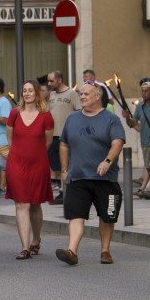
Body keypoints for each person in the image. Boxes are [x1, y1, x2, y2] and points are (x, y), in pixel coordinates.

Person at [57, 82, 126, 265]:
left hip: (105, 178)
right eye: (81, 94)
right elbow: (63, 143)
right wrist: (64, 170)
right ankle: (72, 251)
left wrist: (107, 161)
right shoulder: (72, 118)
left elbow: (117, 143)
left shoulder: (111, 119)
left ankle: (105, 251)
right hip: (77, 176)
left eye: (86, 94)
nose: (82, 97)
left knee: (107, 216)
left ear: (97, 96)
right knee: (76, 214)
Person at [6, 80, 54, 259]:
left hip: (38, 164)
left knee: (35, 204)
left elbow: (47, 142)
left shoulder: (46, 116)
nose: (27, 94)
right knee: (21, 203)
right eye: (24, 91)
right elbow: (10, 138)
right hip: (16, 163)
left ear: (36, 93)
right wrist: (18, 154)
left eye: (30, 90)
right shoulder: (14, 113)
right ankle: (25, 247)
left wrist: (34, 154)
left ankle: (36, 239)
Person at [46, 71, 80, 204]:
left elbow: (78, 111)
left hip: (66, 136)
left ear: (59, 80)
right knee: (57, 166)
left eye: (51, 81)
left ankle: (64, 191)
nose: (49, 84)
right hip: (53, 135)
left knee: (65, 164)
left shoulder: (71, 93)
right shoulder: (52, 95)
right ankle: (63, 189)